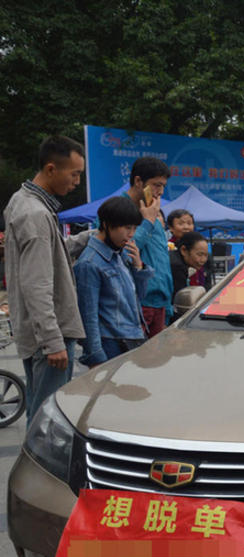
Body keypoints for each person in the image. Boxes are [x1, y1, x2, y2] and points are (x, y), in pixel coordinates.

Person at [3, 136, 91, 422]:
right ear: (51, 169)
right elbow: (36, 283)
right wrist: (52, 341)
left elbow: (51, 254)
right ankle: (35, 468)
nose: (77, 182)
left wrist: (88, 237)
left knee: (42, 416)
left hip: (36, 332)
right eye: (74, 174)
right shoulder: (36, 214)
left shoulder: (23, 201)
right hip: (50, 335)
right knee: (46, 422)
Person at [74, 197, 153, 366]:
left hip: (133, 337)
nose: (131, 234)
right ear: (106, 224)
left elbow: (140, 296)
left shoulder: (121, 254)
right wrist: (95, 356)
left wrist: (139, 267)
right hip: (111, 343)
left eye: (134, 228)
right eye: (127, 227)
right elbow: (88, 316)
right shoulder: (89, 263)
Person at [127, 156, 173, 338]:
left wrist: (167, 304)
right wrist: (146, 222)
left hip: (160, 304)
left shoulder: (154, 212)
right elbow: (122, 252)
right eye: (156, 185)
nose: (160, 192)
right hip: (137, 304)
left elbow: (162, 261)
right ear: (138, 181)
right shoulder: (119, 208)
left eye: (163, 186)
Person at [170, 231, 211, 297]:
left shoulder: (176, 259)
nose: (203, 260)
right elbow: (179, 298)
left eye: (206, 255)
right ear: (184, 250)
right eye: (199, 254)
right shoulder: (177, 267)